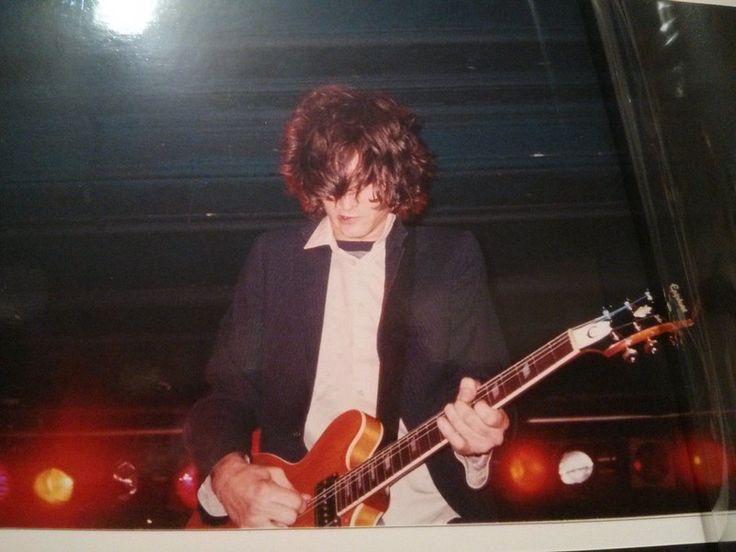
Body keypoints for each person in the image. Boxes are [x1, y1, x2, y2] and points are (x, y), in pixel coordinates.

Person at [184, 85, 510, 527]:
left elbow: (483, 381)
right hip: (301, 515)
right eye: (332, 183)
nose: (345, 201)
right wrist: (229, 474)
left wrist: (479, 438)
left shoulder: (449, 257)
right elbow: (225, 395)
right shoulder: (273, 260)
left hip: (427, 519)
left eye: (364, 183)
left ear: (396, 177)